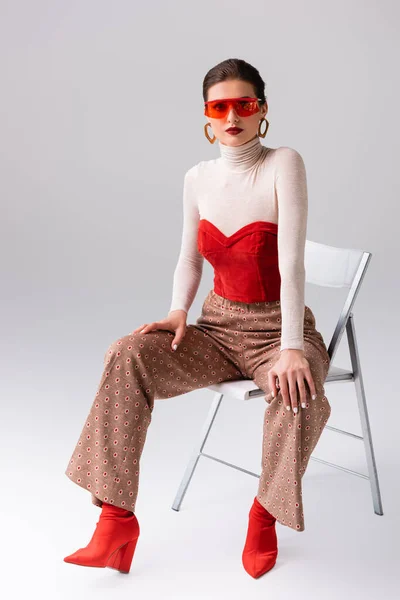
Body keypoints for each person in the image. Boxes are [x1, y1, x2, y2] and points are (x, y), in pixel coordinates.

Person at [63, 58, 331, 578]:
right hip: (216, 327)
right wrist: (177, 313)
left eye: (244, 105)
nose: (232, 116)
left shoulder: (284, 163)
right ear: (207, 116)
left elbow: (291, 261)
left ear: (262, 110)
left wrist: (294, 346)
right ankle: (115, 522)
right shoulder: (197, 177)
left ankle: (264, 515)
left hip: (280, 329)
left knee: (298, 392)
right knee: (126, 353)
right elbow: (189, 257)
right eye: (219, 106)